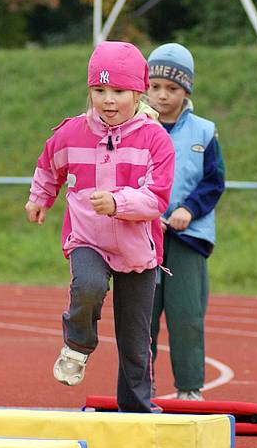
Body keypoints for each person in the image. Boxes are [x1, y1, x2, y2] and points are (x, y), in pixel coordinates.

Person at [25, 41, 175, 412]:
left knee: (135, 337)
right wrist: (39, 198)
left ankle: (137, 407)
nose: (108, 100)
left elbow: (157, 198)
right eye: (99, 90)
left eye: (119, 92)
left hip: (137, 248)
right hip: (88, 237)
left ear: (138, 91)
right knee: (88, 285)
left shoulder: (155, 139)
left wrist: (118, 203)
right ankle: (77, 345)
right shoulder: (72, 132)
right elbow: (49, 165)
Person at [146, 43, 225, 401]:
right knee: (141, 317)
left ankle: (190, 388)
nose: (163, 96)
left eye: (172, 89)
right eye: (155, 87)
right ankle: (138, 385)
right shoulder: (134, 128)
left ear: (186, 91)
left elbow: (213, 181)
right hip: (143, 237)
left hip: (187, 236)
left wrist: (189, 210)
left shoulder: (205, 132)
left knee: (186, 315)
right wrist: (146, 212)